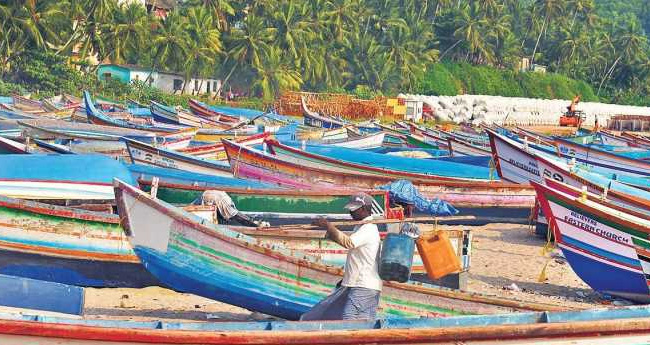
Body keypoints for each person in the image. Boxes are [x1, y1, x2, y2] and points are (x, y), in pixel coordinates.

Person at [301, 192, 382, 321]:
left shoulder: (368, 228)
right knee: (364, 322)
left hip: (363, 285)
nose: (351, 213)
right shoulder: (361, 227)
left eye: (354, 210)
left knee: (349, 317)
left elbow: (349, 242)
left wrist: (328, 226)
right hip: (366, 285)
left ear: (363, 209)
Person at [198, 190, 269, 228]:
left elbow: (236, 215)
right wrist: (254, 225)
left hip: (211, 195)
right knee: (233, 216)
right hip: (209, 198)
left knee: (231, 215)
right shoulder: (225, 203)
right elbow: (238, 217)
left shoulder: (225, 202)